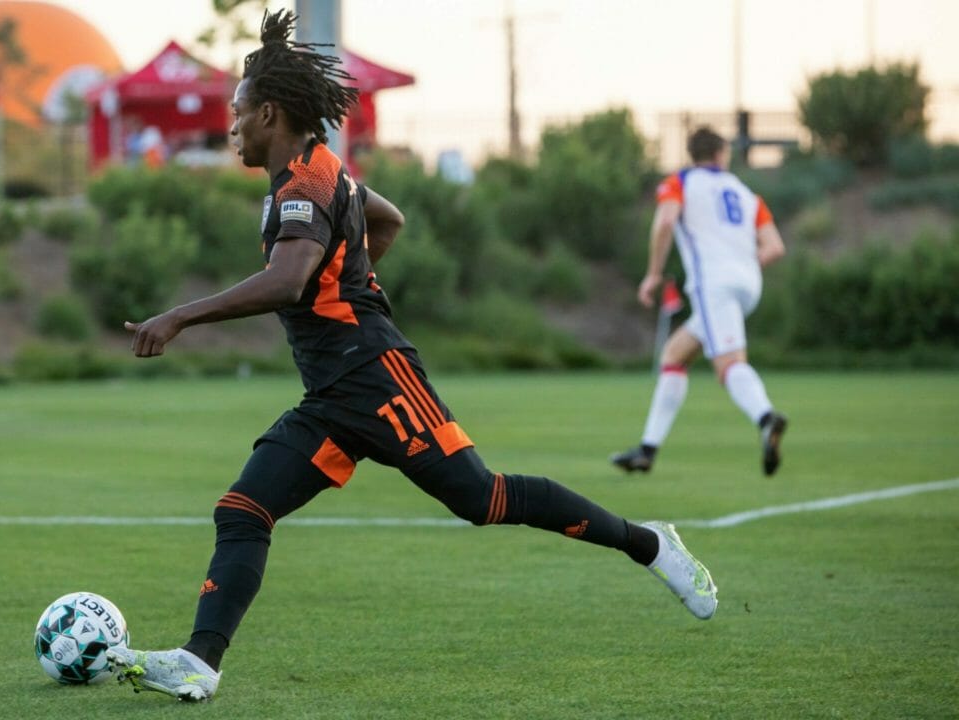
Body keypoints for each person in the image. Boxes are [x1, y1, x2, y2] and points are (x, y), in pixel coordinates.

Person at [107, 11, 718, 703]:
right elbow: (386, 219)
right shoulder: (321, 172)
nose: (232, 127)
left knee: (484, 498)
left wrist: (180, 316)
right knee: (243, 509)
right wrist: (354, 277)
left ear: (269, 113)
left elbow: (287, 281)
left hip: (375, 376)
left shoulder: (305, 183)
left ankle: (650, 544)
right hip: (333, 397)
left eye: (238, 112)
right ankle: (200, 662)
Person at [610, 128, 787, 476]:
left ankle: (766, 418)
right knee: (674, 355)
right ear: (721, 153)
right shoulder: (747, 193)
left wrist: (653, 274)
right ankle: (647, 450)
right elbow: (775, 247)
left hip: (713, 285)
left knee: (728, 363)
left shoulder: (680, 181)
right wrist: (743, 263)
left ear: (693, 154)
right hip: (749, 283)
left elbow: (665, 221)